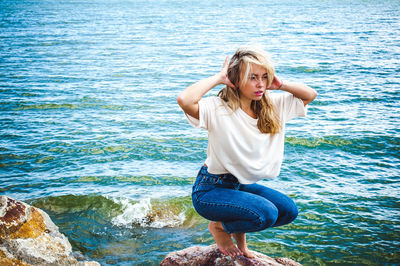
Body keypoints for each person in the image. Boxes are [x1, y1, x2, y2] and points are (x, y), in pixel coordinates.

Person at [176, 46, 317, 258]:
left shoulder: (272, 106)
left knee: (288, 211)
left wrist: (281, 85)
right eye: (252, 77)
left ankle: (239, 243)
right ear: (236, 80)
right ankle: (219, 228)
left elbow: (310, 95)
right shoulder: (218, 108)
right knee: (266, 213)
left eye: (264, 77)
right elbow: (185, 100)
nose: (261, 84)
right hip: (210, 190)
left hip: (239, 184)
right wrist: (219, 77)